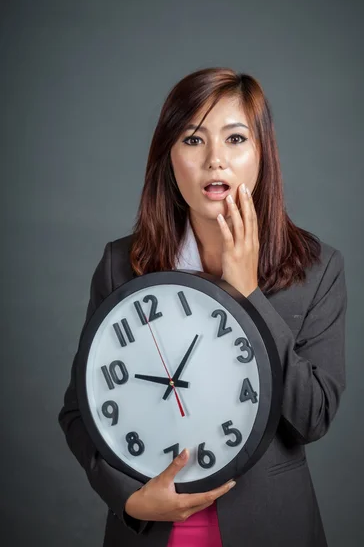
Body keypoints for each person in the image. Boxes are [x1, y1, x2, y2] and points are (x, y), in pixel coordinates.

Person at [58, 67, 347, 547]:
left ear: (261, 155)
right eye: (193, 140)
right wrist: (129, 497)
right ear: (169, 157)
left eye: (235, 139)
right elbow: (77, 412)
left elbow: (312, 417)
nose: (216, 160)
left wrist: (250, 293)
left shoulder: (318, 270)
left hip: (270, 528)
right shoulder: (120, 265)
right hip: (153, 532)